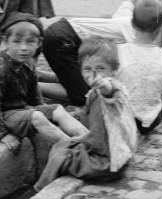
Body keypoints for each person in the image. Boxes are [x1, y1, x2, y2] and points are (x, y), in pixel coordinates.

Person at [33, 37, 139, 190]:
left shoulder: (114, 90)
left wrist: (103, 84)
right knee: (64, 145)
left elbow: (109, 91)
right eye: (87, 69)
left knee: (60, 154)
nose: (93, 75)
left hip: (108, 163)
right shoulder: (92, 93)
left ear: (114, 70)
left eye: (101, 69)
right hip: (105, 153)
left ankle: (41, 189)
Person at [0, 12, 86, 153]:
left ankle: (87, 139)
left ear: (38, 43)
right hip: (4, 117)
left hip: (21, 111)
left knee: (57, 109)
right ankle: (74, 150)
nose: (23, 48)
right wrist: (2, 134)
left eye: (30, 42)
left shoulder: (27, 63)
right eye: (17, 42)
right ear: (6, 42)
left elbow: (35, 96)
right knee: (37, 116)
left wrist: (47, 113)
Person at [116, 0, 162, 135]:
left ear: (132, 24)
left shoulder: (119, 52)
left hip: (125, 119)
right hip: (153, 120)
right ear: (160, 28)